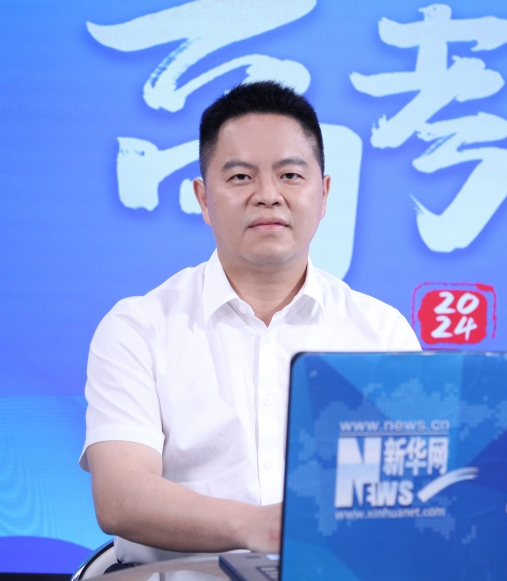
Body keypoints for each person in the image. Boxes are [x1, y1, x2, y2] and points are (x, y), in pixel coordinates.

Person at [80, 81, 421, 565]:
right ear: (203, 198)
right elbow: (121, 497)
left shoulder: (381, 334)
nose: (268, 195)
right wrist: (262, 527)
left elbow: (410, 498)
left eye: (290, 175)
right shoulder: (138, 328)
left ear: (324, 195)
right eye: (241, 177)